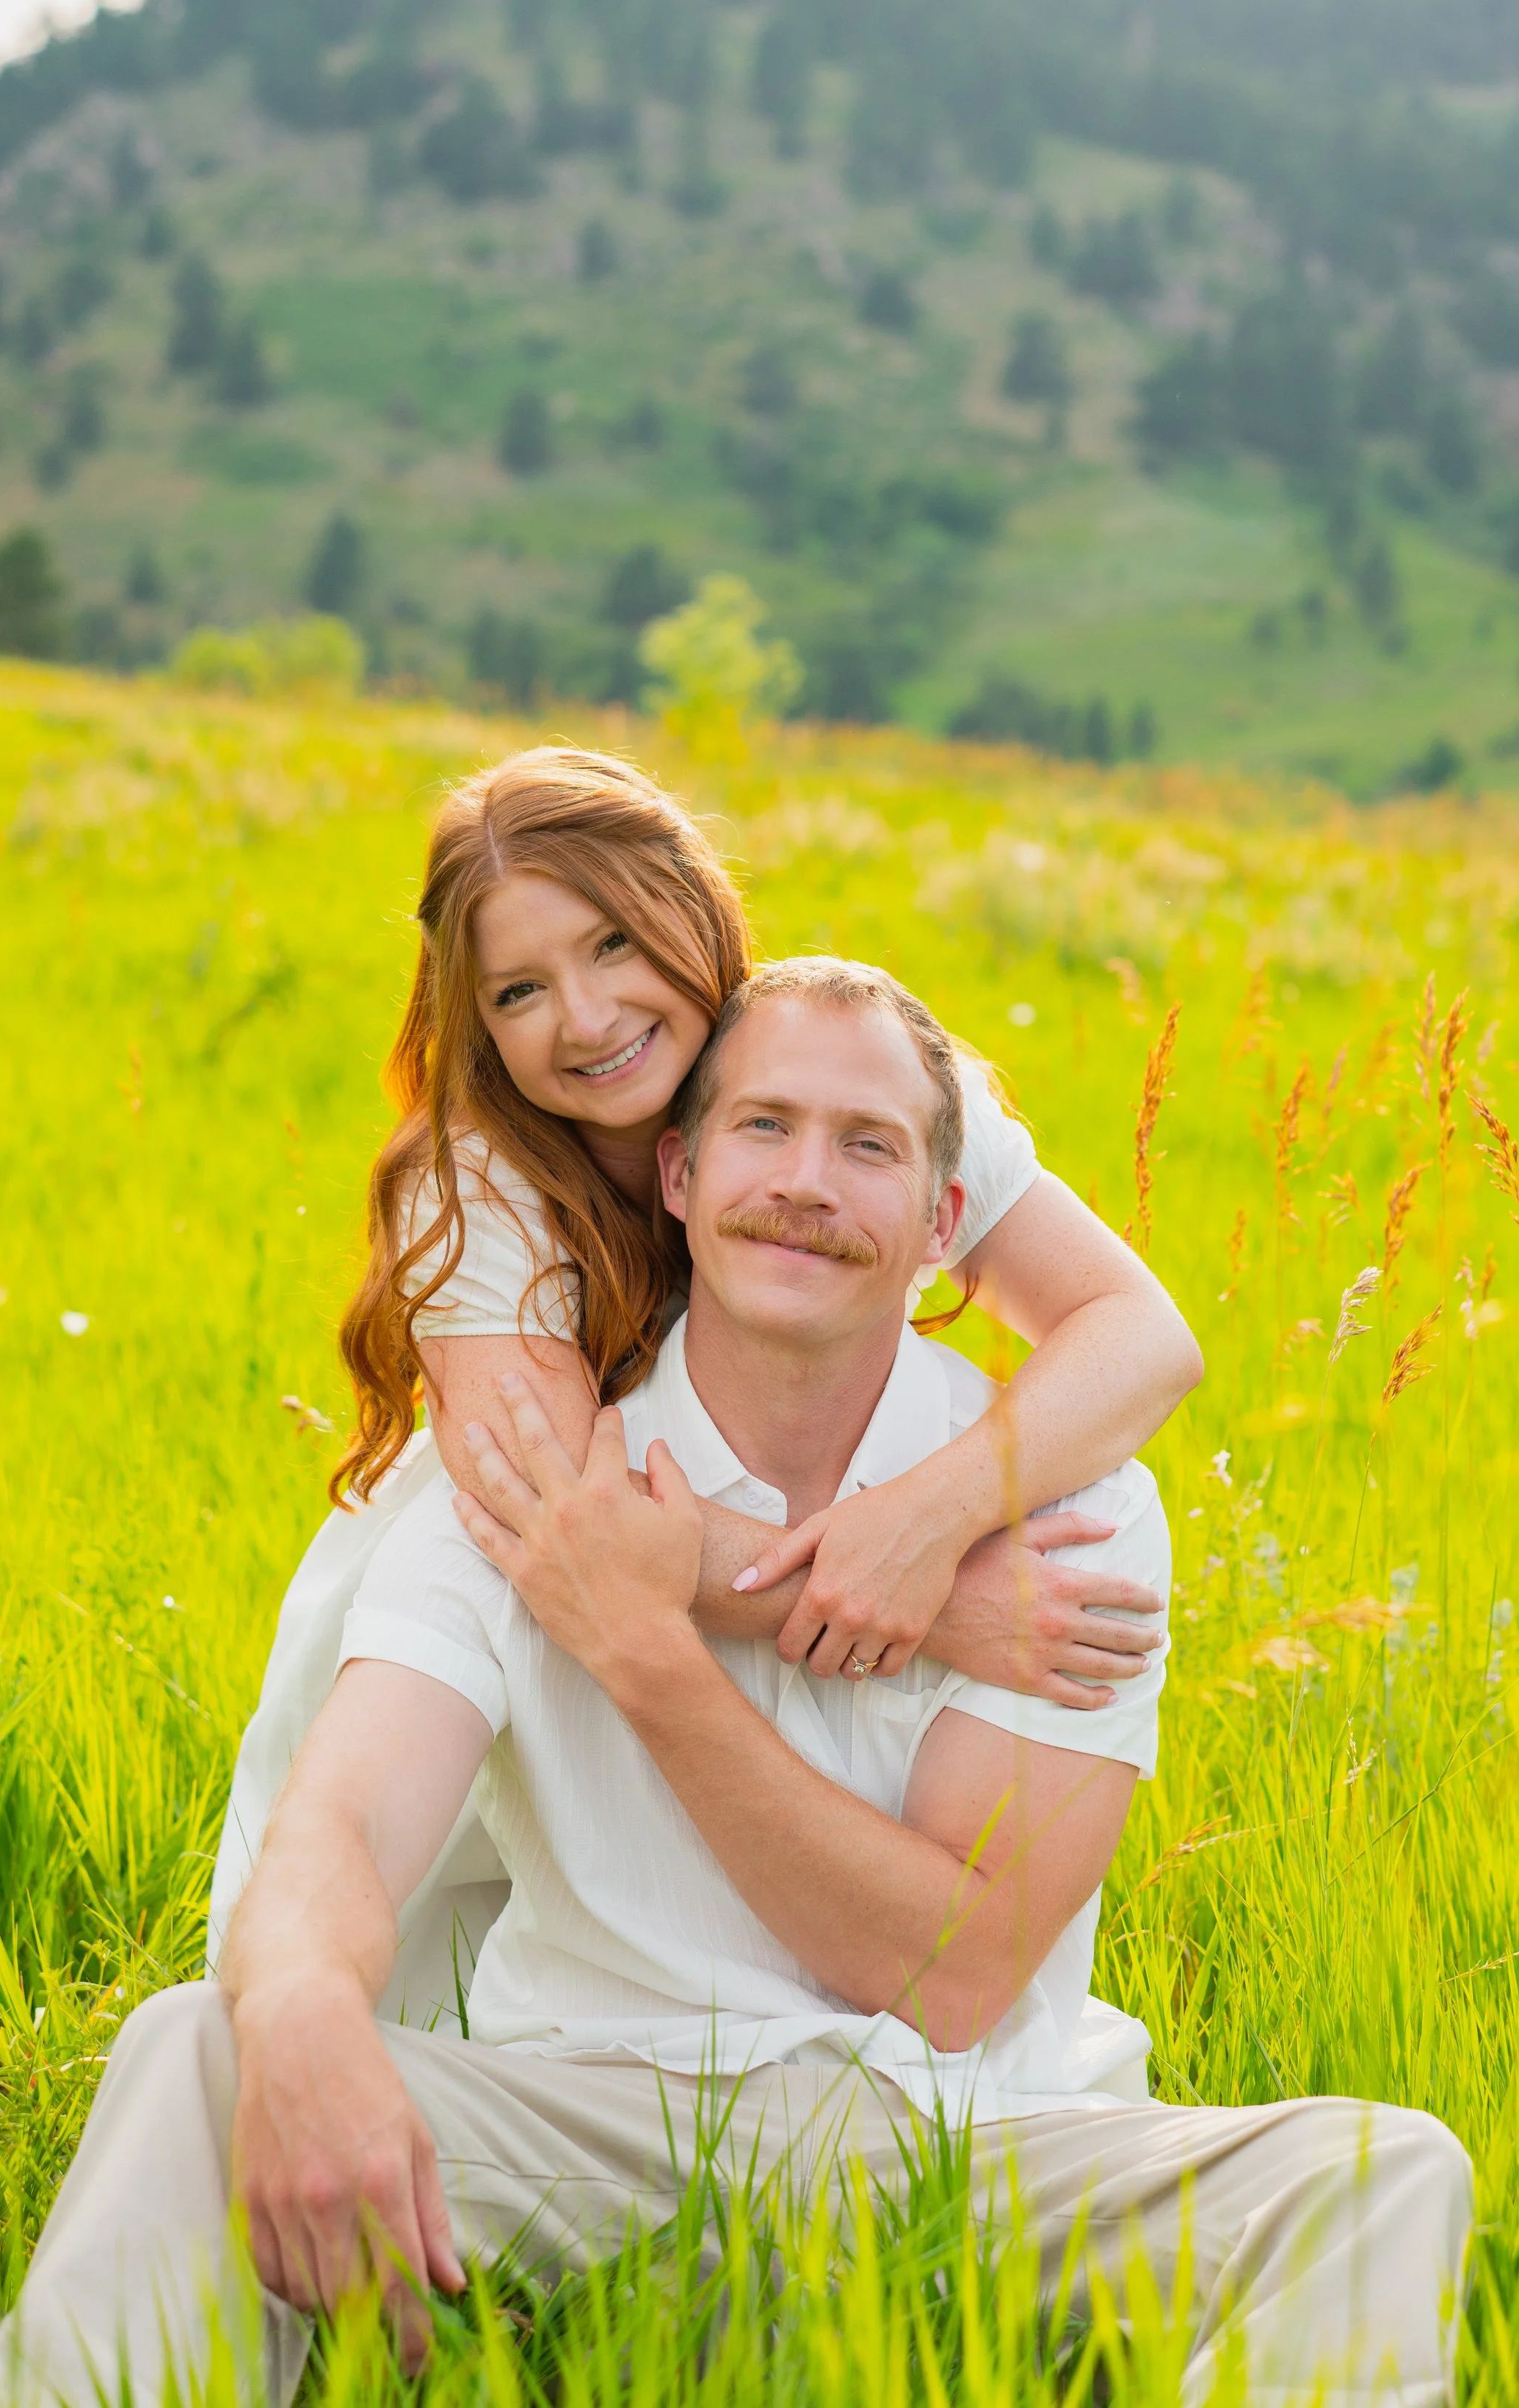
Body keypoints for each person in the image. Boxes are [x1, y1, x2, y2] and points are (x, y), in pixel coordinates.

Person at [0, 962, 1471, 2408]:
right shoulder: (524, 1480)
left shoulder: (1067, 1512)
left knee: (1384, 2172)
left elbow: (952, 1975)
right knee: (207, 2044)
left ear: (948, 1216)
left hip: (976, 2149)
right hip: (605, 2131)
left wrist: (646, 1651)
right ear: (678, 1176)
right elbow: (344, 1828)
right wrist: (299, 2007)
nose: (804, 1182)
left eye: (865, 1145)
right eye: (762, 1127)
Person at [209, 747, 1205, 2020]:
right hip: (494, 1581)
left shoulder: (848, 1064)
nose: (584, 1014)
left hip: (734, 1534)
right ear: (479, 1025)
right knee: (422, 1989)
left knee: (689, 1941)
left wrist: (930, 1517)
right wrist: (928, 1603)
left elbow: (1138, 1335)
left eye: (615, 942)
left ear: (695, 909)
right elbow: (581, 1530)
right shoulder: (477, 1187)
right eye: (520, 989)